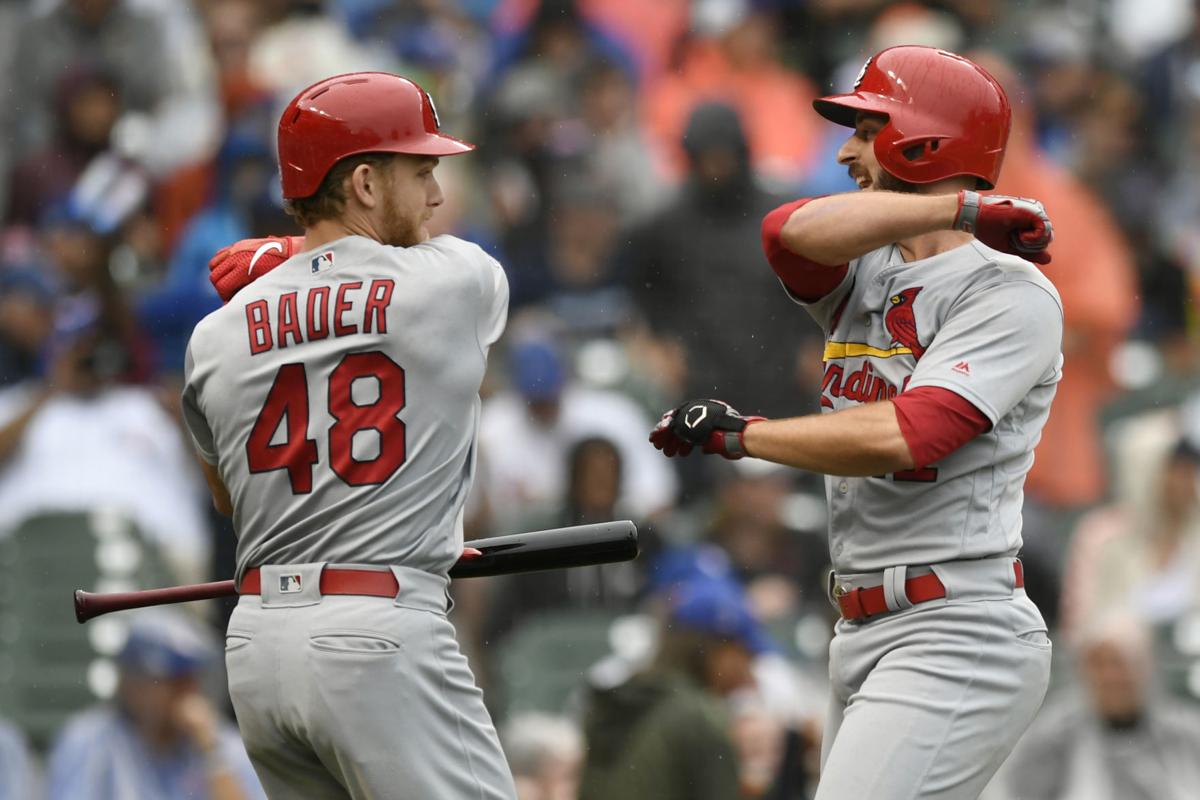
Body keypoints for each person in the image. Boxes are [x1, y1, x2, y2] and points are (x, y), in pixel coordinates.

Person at [649, 46, 1061, 799]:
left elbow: (909, 435)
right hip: (864, 626)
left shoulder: (1012, 293)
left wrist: (746, 436)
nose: (845, 151)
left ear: (927, 141)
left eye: (868, 130)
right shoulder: (869, 263)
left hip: (954, 626)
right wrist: (960, 207)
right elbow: (785, 232)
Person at [181, 73, 517, 798]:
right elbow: (400, 284)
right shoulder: (452, 282)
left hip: (258, 649)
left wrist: (282, 262)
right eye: (420, 170)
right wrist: (284, 255)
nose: (435, 195)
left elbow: (228, 495)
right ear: (364, 182)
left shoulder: (214, 335)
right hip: (377, 633)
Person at [578, 577, 767, 800]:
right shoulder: (699, 718)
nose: (750, 672)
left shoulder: (617, 702)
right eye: (745, 654)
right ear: (716, 652)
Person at [46, 610, 264, 800]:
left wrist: (211, 755)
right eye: (170, 681)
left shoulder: (221, 745)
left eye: (188, 680)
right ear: (131, 683)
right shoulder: (89, 742)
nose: (185, 693)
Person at [999, 613, 1200, 800]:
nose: (1111, 677)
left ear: (1147, 666)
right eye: (1099, 664)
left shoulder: (1185, 734)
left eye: (1121, 663)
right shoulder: (1053, 737)